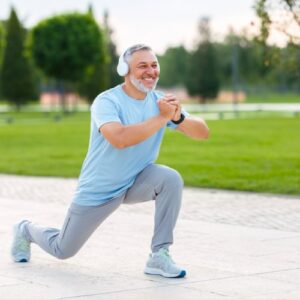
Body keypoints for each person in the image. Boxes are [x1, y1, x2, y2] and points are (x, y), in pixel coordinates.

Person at [11, 44, 209, 278]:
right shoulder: (107, 101)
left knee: (170, 179)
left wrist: (178, 116)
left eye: (154, 65)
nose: (150, 71)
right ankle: (25, 229)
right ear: (124, 69)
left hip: (136, 181)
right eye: (142, 66)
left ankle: (159, 255)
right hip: (100, 190)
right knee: (63, 249)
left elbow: (202, 132)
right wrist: (163, 117)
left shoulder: (159, 103)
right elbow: (119, 138)